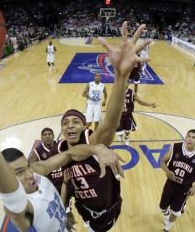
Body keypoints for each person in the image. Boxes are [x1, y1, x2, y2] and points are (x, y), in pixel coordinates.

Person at [0, 90, 124, 232]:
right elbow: (10, 197)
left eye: (26, 167)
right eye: (18, 173)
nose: (28, 175)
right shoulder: (23, 209)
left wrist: (96, 147)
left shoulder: (39, 178)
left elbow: (68, 155)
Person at [60, 22, 151, 232]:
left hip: (108, 209)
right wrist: (66, 211)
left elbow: (110, 124)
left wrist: (121, 77)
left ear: (85, 127)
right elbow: (64, 185)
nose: (70, 126)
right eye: (65, 123)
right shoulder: (60, 151)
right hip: (84, 209)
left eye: (75, 122)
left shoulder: (94, 141)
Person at [159, 129, 195, 232]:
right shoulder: (175, 148)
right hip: (170, 183)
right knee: (162, 207)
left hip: (185, 188)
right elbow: (162, 162)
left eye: (193, 137)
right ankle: (166, 212)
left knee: (175, 211)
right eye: (189, 136)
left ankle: (167, 229)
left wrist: (194, 187)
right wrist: (167, 171)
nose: (190, 139)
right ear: (185, 138)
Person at [29, 127, 64, 193]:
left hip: (65, 181)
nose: (48, 136)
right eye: (45, 135)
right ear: (41, 138)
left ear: (53, 136)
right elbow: (32, 169)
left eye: (49, 134)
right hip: (50, 185)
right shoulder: (37, 151)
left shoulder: (61, 145)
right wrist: (38, 185)